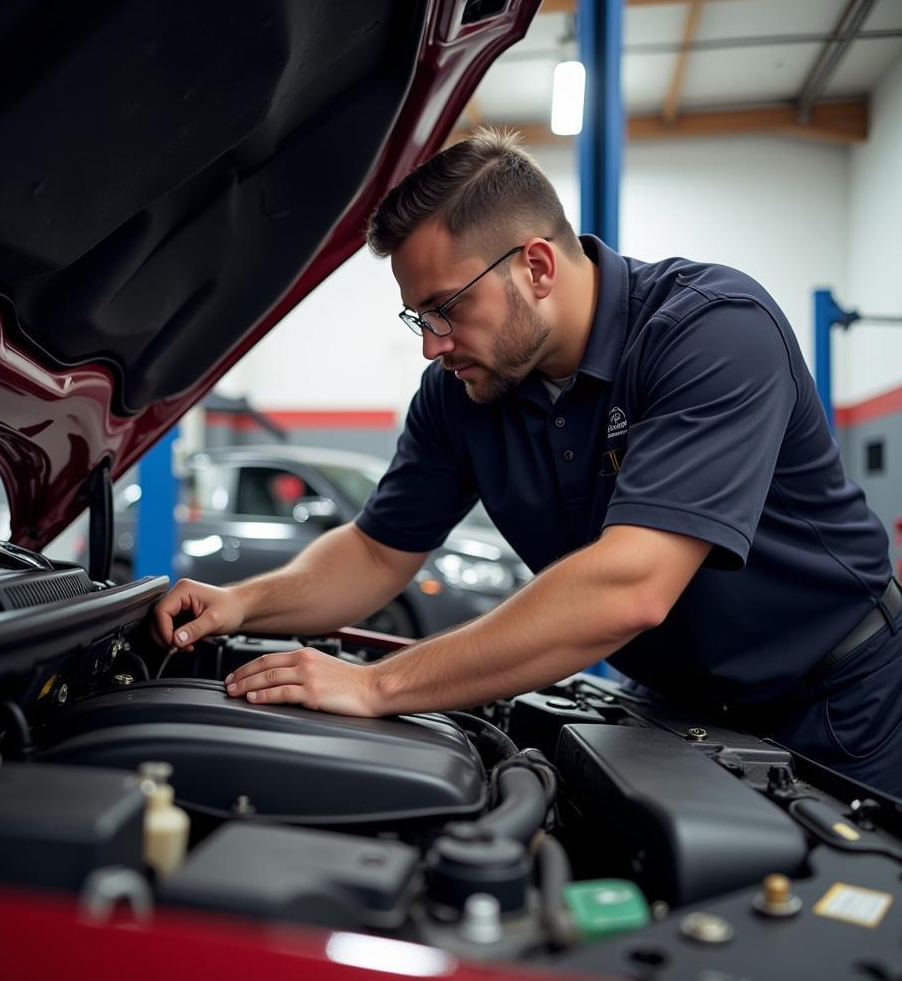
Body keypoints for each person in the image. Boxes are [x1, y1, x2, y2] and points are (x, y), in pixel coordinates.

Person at [153, 128, 901, 796]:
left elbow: (630, 588)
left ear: (537, 266)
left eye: (446, 307)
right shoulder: (460, 395)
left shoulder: (711, 332)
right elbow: (377, 552)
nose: (431, 343)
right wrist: (243, 603)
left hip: (845, 700)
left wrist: (379, 685)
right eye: (419, 317)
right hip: (686, 713)